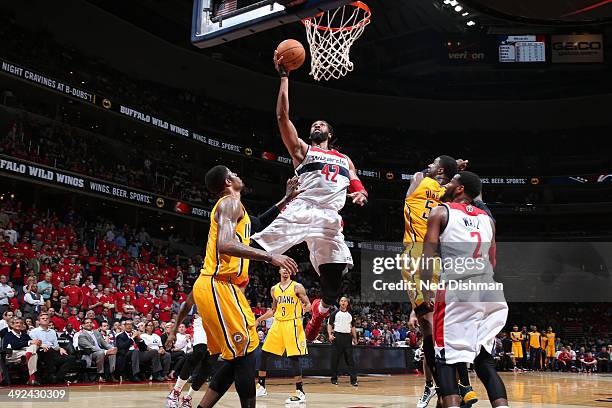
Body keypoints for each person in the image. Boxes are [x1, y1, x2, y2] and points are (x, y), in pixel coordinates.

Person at [251, 54, 368, 344]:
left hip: (330, 217)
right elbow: (282, 117)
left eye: (322, 124)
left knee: (333, 287)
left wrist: (361, 194)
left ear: (330, 132)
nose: (317, 126)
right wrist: (284, 78)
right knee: (250, 246)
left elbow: (356, 183)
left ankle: (321, 310)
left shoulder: (344, 158)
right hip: (301, 209)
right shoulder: (303, 151)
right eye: (314, 124)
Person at [185, 165, 298, 408]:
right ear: (228, 181)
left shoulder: (238, 209)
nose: (239, 174)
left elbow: (257, 223)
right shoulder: (229, 204)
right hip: (217, 284)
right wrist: (271, 257)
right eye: (234, 173)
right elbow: (225, 244)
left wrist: (286, 199)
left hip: (227, 288)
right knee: (246, 354)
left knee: (242, 354)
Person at [422, 171, 509, 408]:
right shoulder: (488, 220)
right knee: (485, 361)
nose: (447, 185)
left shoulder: (441, 211)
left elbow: (427, 254)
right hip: (489, 290)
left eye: (451, 182)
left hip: (458, 287)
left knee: (445, 359)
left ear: (459, 189)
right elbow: (492, 261)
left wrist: (426, 289)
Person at [402, 156, 477, 408]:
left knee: (431, 330)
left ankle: (448, 391)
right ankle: (452, 389)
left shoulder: (419, 181)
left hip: (417, 256)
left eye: (434, 162)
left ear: (440, 169)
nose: (429, 164)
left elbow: (423, 174)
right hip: (442, 258)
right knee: (436, 329)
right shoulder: (448, 197)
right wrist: (456, 172)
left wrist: (452, 167)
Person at [255, 267, 311, 403]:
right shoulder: (274, 289)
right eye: (283, 268)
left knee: (293, 357)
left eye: (288, 269)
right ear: (279, 271)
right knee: (264, 353)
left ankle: (300, 391)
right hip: (278, 323)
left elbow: (308, 304)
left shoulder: (297, 287)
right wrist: (258, 319)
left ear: (291, 272)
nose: (285, 271)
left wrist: (305, 309)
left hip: (292, 323)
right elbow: (274, 310)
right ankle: (261, 386)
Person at [166, 293, 215, 408]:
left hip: (217, 326)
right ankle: (175, 392)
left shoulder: (229, 286)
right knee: (199, 352)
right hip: (201, 321)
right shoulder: (203, 282)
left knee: (208, 365)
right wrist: (174, 330)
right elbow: (186, 306)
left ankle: (187, 398)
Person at [30, 313, 76, 384]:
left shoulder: (52, 331)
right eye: (43, 318)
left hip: (52, 351)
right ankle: (51, 377)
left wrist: (60, 348)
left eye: (47, 318)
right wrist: (41, 345)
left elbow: (55, 346)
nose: (45, 319)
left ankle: (57, 378)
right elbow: (33, 343)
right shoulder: (34, 331)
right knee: (49, 352)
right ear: (39, 321)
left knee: (71, 358)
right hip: (40, 351)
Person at [327, 296, 358, 387]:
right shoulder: (334, 313)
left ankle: (353, 380)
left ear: (347, 303)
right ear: (339, 303)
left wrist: (355, 337)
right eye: (341, 301)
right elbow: (329, 324)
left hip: (347, 338)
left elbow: (352, 327)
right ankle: (334, 379)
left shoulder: (350, 314)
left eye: (345, 301)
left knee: (350, 360)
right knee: (335, 359)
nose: (343, 302)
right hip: (337, 337)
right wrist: (330, 334)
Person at [77, 317, 118, 382]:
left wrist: (112, 348)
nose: (89, 324)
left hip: (100, 351)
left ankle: (111, 374)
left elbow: (104, 343)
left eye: (90, 322)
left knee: (112, 353)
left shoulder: (96, 332)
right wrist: (105, 351)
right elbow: (91, 347)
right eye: (87, 323)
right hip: (90, 354)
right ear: (83, 325)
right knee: (101, 353)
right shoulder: (81, 335)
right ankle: (100, 375)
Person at [3, 316, 40, 385]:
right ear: (12, 324)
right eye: (17, 323)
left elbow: (32, 343)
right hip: (12, 355)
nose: (19, 324)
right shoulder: (8, 335)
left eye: (20, 323)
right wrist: (28, 343)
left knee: (34, 349)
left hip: (23, 353)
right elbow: (13, 345)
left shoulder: (25, 335)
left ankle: (26, 357)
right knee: (33, 353)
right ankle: (31, 378)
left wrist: (40, 344)